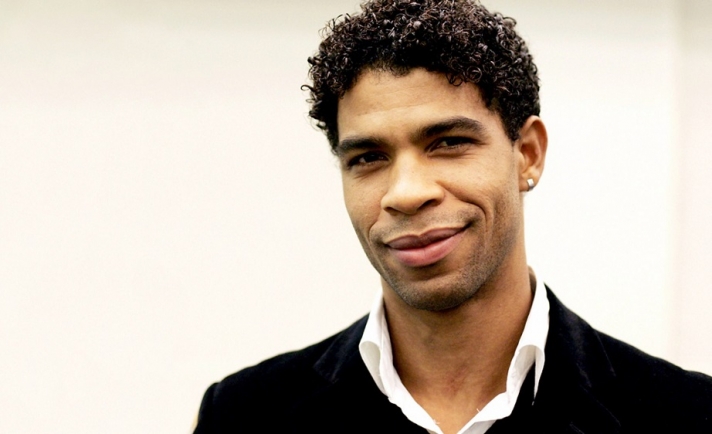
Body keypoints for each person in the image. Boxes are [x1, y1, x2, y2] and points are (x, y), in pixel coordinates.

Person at [193, 0, 712, 432]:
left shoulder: (687, 417)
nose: (406, 193)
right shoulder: (243, 416)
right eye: (369, 157)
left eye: (448, 142)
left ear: (527, 154)